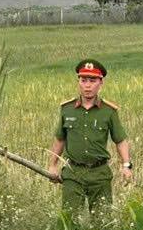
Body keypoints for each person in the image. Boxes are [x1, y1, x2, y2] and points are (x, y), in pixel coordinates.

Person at [47, 60, 132, 215]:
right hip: (73, 173)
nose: (87, 85)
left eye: (92, 81)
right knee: (69, 219)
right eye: (83, 80)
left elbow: (120, 140)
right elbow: (60, 139)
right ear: (78, 82)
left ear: (101, 83)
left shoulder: (109, 111)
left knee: (102, 219)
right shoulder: (67, 109)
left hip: (99, 174)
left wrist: (126, 166)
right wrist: (52, 165)